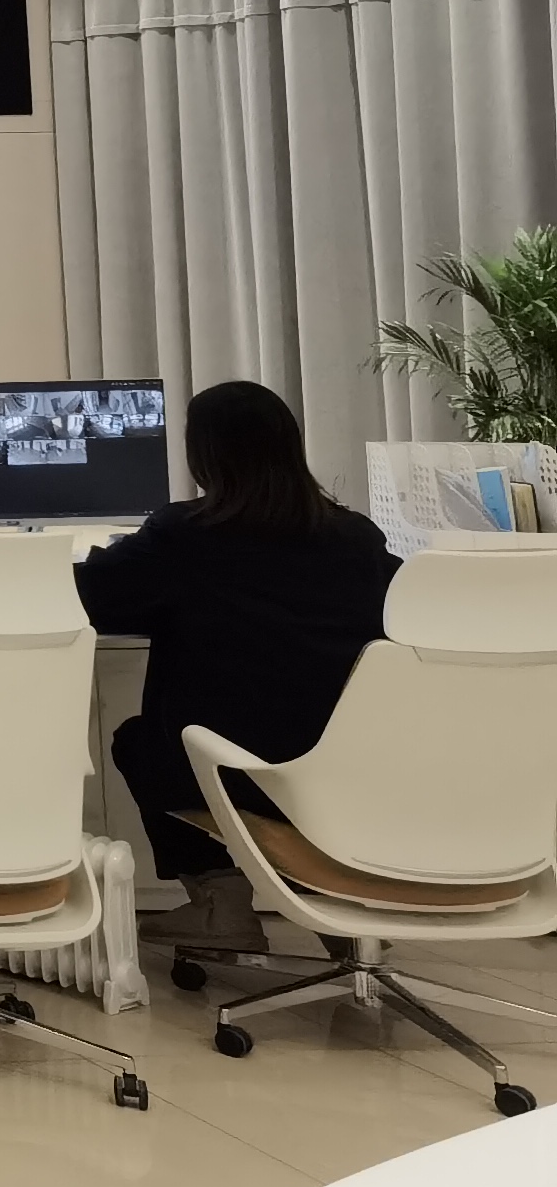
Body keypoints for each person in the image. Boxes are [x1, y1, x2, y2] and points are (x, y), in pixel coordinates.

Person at [79, 378, 398, 945]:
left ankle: (221, 905)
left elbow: (92, 596)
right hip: (337, 772)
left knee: (139, 741)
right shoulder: (358, 540)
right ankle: (330, 903)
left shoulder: (185, 536)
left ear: (203, 455)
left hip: (228, 773)